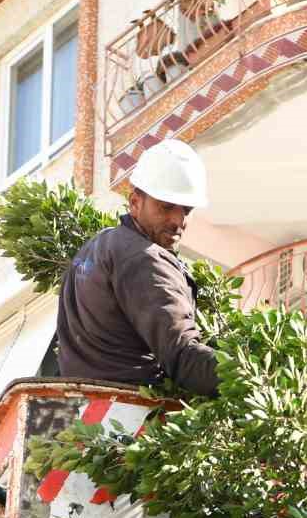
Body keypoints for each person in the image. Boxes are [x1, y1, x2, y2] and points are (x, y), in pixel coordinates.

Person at [54, 139, 219, 395]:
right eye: (165, 206)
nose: (178, 220)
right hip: (133, 410)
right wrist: (254, 379)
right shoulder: (144, 257)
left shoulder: (92, 250)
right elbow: (183, 356)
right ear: (134, 203)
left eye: (186, 209)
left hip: (86, 410)